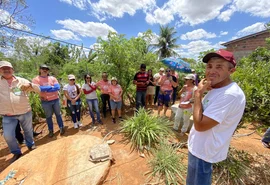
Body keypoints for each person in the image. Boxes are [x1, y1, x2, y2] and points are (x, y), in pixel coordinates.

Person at [187, 49, 246, 185]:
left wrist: (197, 94)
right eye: (209, 66)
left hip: (205, 153)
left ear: (231, 71)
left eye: (219, 66)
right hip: (198, 148)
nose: (212, 71)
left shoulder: (229, 95)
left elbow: (200, 125)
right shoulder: (216, 88)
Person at [0, 61, 40, 163]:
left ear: (12, 70)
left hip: (24, 112)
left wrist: (30, 85)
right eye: (3, 68)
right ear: (0, 70)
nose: (6, 70)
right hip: (8, 115)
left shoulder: (21, 81)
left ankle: (31, 145)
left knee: (28, 131)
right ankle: (16, 152)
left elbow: (38, 89)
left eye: (8, 68)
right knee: (8, 135)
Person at [32, 64, 65, 138]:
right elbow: (38, 89)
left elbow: (57, 87)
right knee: (48, 116)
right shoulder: (36, 79)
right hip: (46, 101)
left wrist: (45, 88)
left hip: (55, 100)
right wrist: (50, 87)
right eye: (43, 68)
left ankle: (61, 127)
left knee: (58, 115)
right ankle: (50, 130)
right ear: (40, 69)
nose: (45, 70)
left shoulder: (52, 78)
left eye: (47, 69)